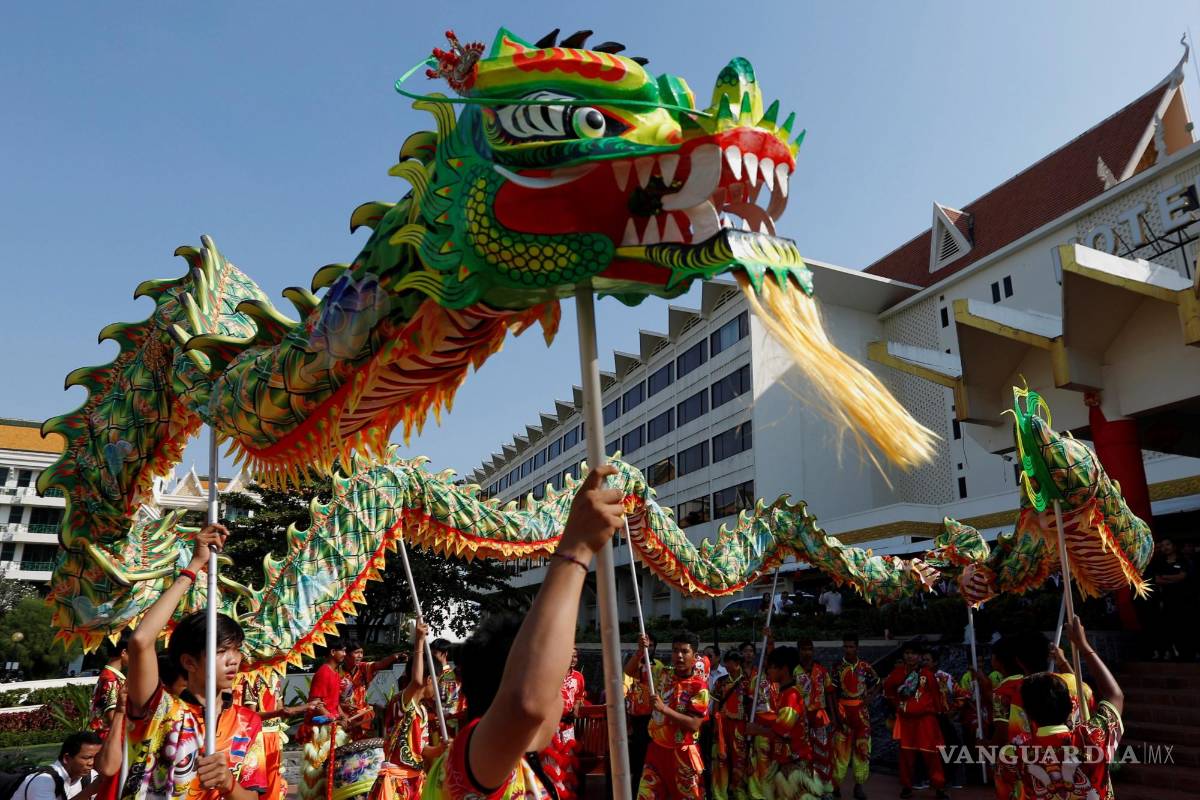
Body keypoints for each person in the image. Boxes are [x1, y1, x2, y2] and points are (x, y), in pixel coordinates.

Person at [419, 464, 625, 800]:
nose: (557, 697)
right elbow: (525, 702)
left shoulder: (498, 760)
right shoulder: (480, 757)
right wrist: (576, 550)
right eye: (553, 683)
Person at [125, 523, 268, 800]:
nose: (233, 660)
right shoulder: (160, 709)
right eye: (220, 651)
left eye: (236, 649)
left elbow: (253, 796)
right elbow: (141, 641)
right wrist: (195, 565)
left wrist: (229, 784)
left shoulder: (247, 721)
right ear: (189, 662)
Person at [996, 619, 1124, 800]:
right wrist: (1083, 646)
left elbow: (1006, 790)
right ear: (1070, 706)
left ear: (1028, 713)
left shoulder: (1013, 756)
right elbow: (1115, 695)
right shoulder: (1092, 737)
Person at [625, 630, 709, 800]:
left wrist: (664, 710)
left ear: (695, 656)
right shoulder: (663, 674)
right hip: (656, 751)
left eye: (684, 651)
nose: (679, 655)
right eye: (675, 650)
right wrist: (641, 651)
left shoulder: (699, 687)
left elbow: (694, 724)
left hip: (683, 754)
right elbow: (630, 671)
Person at [747, 646, 821, 800]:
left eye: (772, 667)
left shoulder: (791, 696)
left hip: (795, 760)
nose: (768, 671)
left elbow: (782, 731)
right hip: (785, 759)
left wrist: (756, 730)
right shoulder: (784, 693)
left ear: (784, 669)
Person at [235, 671, 321, 800]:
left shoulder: (275, 677)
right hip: (259, 737)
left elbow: (280, 708)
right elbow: (251, 715)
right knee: (257, 780)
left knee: (273, 777)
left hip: (274, 734)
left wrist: (299, 709)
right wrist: (290, 710)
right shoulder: (251, 679)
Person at [373, 622, 434, 800]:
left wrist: (441, 749)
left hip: (415, 781)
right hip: (396, 783)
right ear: (429, 680)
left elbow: (421, 749)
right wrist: (419, 641)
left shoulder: (422, 710)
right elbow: (416, 682)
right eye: (436, 682)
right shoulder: (402, 701)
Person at [882, 643, 947, 799]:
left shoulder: (927, 675)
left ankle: (939, 788)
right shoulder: (897, 674)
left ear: (919, 656)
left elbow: (936, 696)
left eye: (913, 653)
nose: (910, 656)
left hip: (926, 720)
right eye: (907, 653)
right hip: (906, 722)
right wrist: (898, 707)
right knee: (906, 756)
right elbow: (888, 691)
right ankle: (906, 786)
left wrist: (939, 713)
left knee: (931, 755)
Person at [831, 633, 878, 799]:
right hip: (843, 713)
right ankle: (835, 786)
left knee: (863, 751)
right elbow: (833, 693)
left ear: (857, 647)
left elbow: (877, 683)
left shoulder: (865, 666)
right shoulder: (837, 667)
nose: (848, 649)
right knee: (839, 753)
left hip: (861, 716)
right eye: (846, 646)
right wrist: (836, 716)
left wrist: (868, 699)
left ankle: (859, 786)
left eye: (851, 646)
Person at [343, 640, 408, 739]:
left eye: (361, 652)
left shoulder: (363, 668)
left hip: (363, 713)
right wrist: (343, 707)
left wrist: (394, 657)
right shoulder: (336, 673)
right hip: (344, 715)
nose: (360, 656)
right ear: (346, 654)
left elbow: (380, 664)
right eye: (356, 653)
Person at [14, 731, 103, 800]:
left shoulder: (90, 776)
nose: (91, 763)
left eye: (96, 757)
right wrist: (88, 792)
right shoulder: (43, 781)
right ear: (67, 758)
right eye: (87, 758)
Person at [624, 631, 663, 784]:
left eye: (652, 646)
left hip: (654, 717)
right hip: (638, 718)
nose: (649, 648)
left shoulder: (659, 666)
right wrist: (640, 650)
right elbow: (627, 671)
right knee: (638, 758)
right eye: (648, 645)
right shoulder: (636, 662)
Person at [710, 649, 749, 800]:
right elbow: (716, 703)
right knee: (720, 758)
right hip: (722, 724)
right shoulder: (721, 681)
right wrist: (715, 723)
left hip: (740, 726)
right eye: (725, 661)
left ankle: (739, 792)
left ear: (737, 663)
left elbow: (751, 705)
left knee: (740, 759)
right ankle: (720, 794)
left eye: (728, 662)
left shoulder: (747, 682)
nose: (725, 665)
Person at [1148, 537, 1193, 660]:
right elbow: (1157, 580)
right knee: (1171, 626)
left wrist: (1166, 578)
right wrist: (1174, 578)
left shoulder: (1182, 560)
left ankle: (1189, 653)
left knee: (1186, 625)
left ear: (1174, 546)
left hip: (1184, 599)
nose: (1165, 547)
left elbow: (1182, 576)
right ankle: (1174, 652)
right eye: (1162, 546)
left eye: (1167, 544)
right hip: (1167, 599)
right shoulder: (1160, 563)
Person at [302, 639, 348, 742]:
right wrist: (333, 719)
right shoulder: (323, 673)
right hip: (321, 727)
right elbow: (316, 704)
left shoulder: (335, 673)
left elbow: (335, 703)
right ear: (332, 652)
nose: (345, 654)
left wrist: (342, 716)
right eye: (343, 651)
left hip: (331, 723)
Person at [88, 631, 130, 737]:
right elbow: (112, 716)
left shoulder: (107, 675)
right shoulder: (112, 679)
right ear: (123, 652)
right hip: (109, 737)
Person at [430, 638, 465, 738]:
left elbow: (448, 707)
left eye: (435, 653)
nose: (432, 656)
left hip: (445, 727)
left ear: (445, 654)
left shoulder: (448, 677)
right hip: (439, 723)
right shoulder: (439, 675)